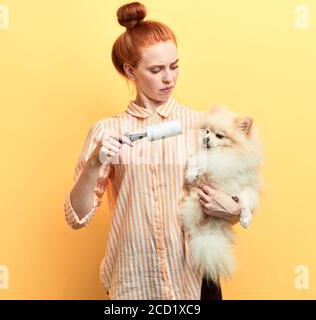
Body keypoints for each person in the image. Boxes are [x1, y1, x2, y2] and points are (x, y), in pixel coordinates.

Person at [64, 1, 241, 300]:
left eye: (174, 66)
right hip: (134, 279)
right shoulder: (108, 132)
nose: (169, 78)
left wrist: (234, 209)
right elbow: (76, 217)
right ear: (130, 71)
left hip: (196, 281)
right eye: (156, 70)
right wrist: (95, 162)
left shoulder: (201, 126)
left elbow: (232, 199)